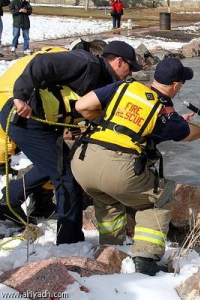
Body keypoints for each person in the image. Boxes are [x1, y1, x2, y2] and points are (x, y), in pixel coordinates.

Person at [71, 57, 200, 275]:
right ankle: (145, 259)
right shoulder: (164, 111)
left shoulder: (125, 87)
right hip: (119, 167)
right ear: (176, 85)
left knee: (107, 198)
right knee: (160, 200)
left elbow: (81, 105)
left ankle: (111, 248)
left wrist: (107, 122)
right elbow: (191, 134)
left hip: (83, 161)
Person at [0, 40, 141, 244]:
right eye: (130, 68)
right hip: (24, 118)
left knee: (56, 164)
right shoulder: (86, 63)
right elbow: (41, 63)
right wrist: (21, 97)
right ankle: (70, 242)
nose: (130, 74)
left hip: (44, 123)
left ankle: (10, 201)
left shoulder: (104, 80)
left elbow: (73, 102)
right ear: (119, 61)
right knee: (66, 176)